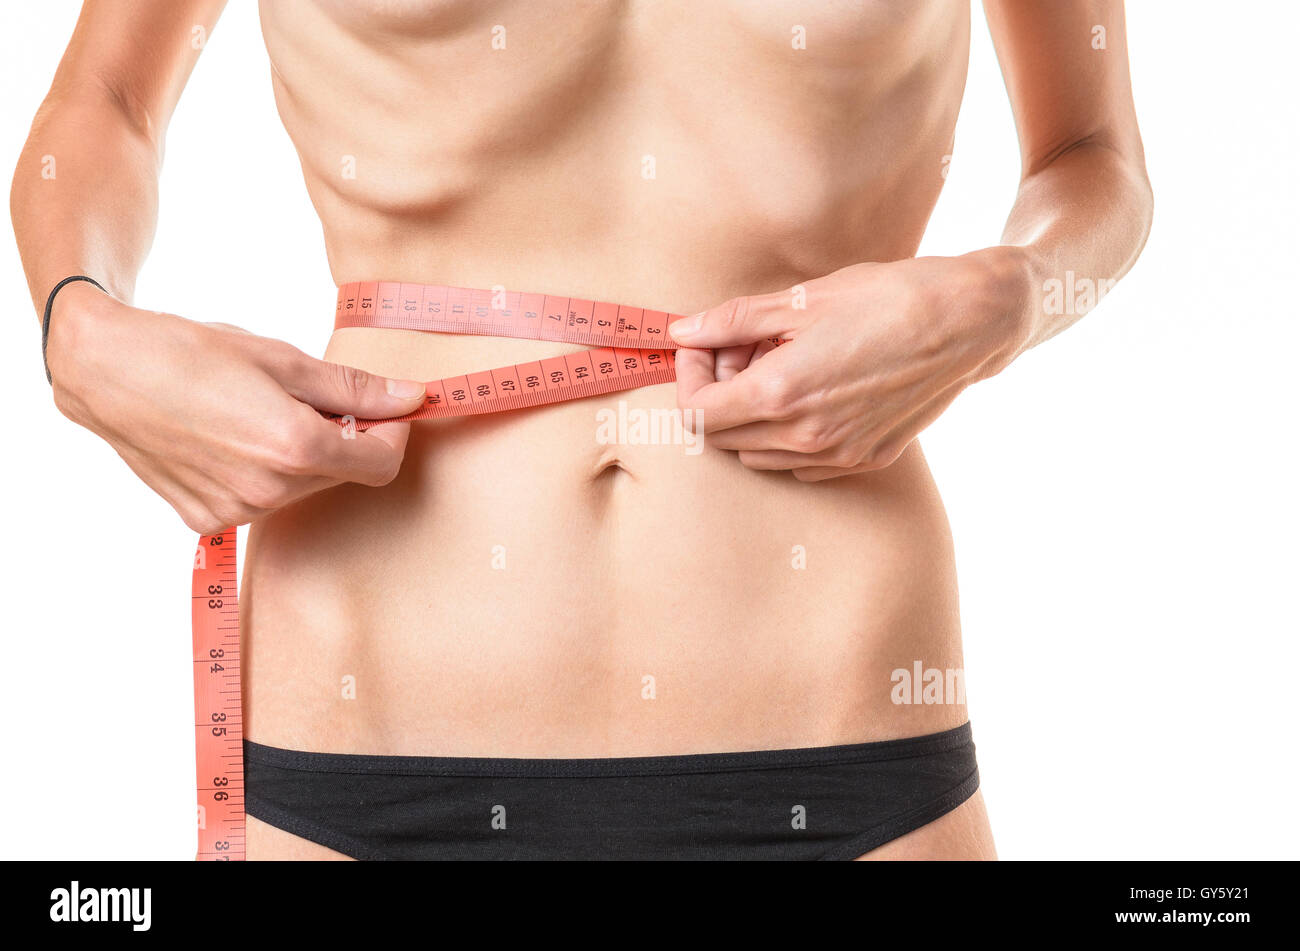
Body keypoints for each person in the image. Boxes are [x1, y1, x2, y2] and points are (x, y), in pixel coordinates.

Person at [12, 0, 1151, 860]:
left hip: (838, 712)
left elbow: (1092, 157)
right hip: (361, 729)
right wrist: (81, 321)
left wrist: (1010, 292)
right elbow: (106, 102)